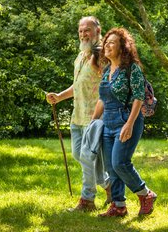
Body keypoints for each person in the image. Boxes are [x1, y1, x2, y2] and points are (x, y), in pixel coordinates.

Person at [46, 16, 110, 211]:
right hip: (77, 116)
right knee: (80, 155)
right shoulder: (81, 55)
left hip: (94, 117)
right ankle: (110, 186)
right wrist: (59, 96)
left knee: (87, 158)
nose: (83, 34)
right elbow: (79, 85)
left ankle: (87, 200)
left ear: (98, 31)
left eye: (87, 30)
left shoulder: (102, 55)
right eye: (81, 31)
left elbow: (110, 86)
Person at [91, 28, 157, 217]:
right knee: (111, 167)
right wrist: (94, 121)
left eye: (112, 42)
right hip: (108, 121)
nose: (107, 45)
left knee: (120, 162)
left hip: (128, 119)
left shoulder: (132, 68)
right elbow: (102, 99)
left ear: (122, 47)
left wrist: (128, 124)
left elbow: (138, 97)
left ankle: (146, 194)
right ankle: (118, 205)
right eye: (106, 42)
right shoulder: (106, 71)